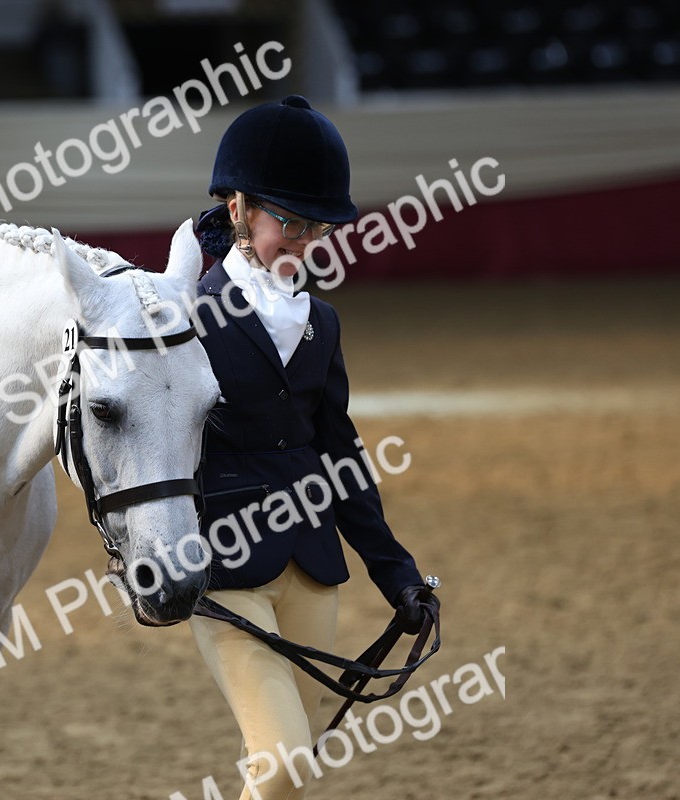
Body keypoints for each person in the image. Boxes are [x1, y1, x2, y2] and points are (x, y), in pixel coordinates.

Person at [188, 95, 438, 799]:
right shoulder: (185, 315)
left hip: (311, 564)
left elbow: (340, 454)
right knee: (285, 762)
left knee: (281, 772)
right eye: (286, 222)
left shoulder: (320, 322)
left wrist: (398, 574)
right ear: (237, 207)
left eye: (314, 227)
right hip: (225, 563)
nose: (300, 241)